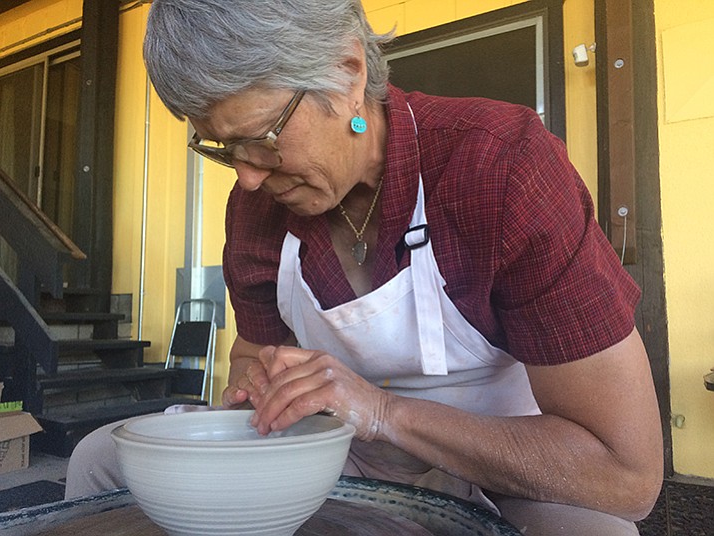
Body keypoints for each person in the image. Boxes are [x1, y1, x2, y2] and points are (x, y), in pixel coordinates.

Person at [65, 1, 663, 534]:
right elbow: (251, 357)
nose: (246, 176)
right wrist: (258, 386)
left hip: (503, 460)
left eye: (261, 138)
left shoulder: (501, 166)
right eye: (220, 148)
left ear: (348, 71)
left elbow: (626, 473)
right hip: (340, 451)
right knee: (101, 460)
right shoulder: (257, 207)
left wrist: (382, 413)